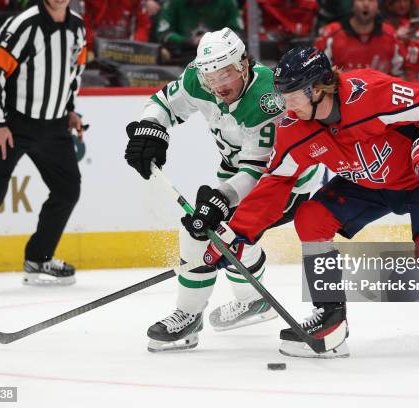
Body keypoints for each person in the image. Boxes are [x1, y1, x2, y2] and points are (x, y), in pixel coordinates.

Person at [201, 47, 419, 359]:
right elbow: (276, 182)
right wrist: (235, 233)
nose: (288, 107)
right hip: (365, 183)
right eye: (283, 96)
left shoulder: (369, 93)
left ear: (319, 88)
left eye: (293, 97)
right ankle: (331, 320)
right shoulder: (295, 129)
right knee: (311, 219)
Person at [124, 28, 323, 352]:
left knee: (200, 231)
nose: (219, 86)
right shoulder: (198, 80)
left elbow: (259, 171)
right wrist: (151, 128)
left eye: (226, 73)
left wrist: (221, 199)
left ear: (244, 63)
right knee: (223, 232)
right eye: (211, 76)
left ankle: (188, 315)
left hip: (286, 183)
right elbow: (163, 103)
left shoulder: (267, 99)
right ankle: (253, 300)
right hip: (240, 173)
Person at [0, 0, 87, 294]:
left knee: (67, 189)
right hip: (14, 125)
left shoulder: (78, 27)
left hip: (55, 124)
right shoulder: (24, 24)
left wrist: (69, 110)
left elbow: (73, 72)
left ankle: (38, 258)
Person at [314, 0, 403, 75]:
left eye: (371, 0)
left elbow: (400, 74)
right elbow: (317, 74)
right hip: (339, 94)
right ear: (352, 4)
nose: (366, 4)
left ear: (378, 6)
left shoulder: (390, 35)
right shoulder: (330, 34)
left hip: (381, 93)